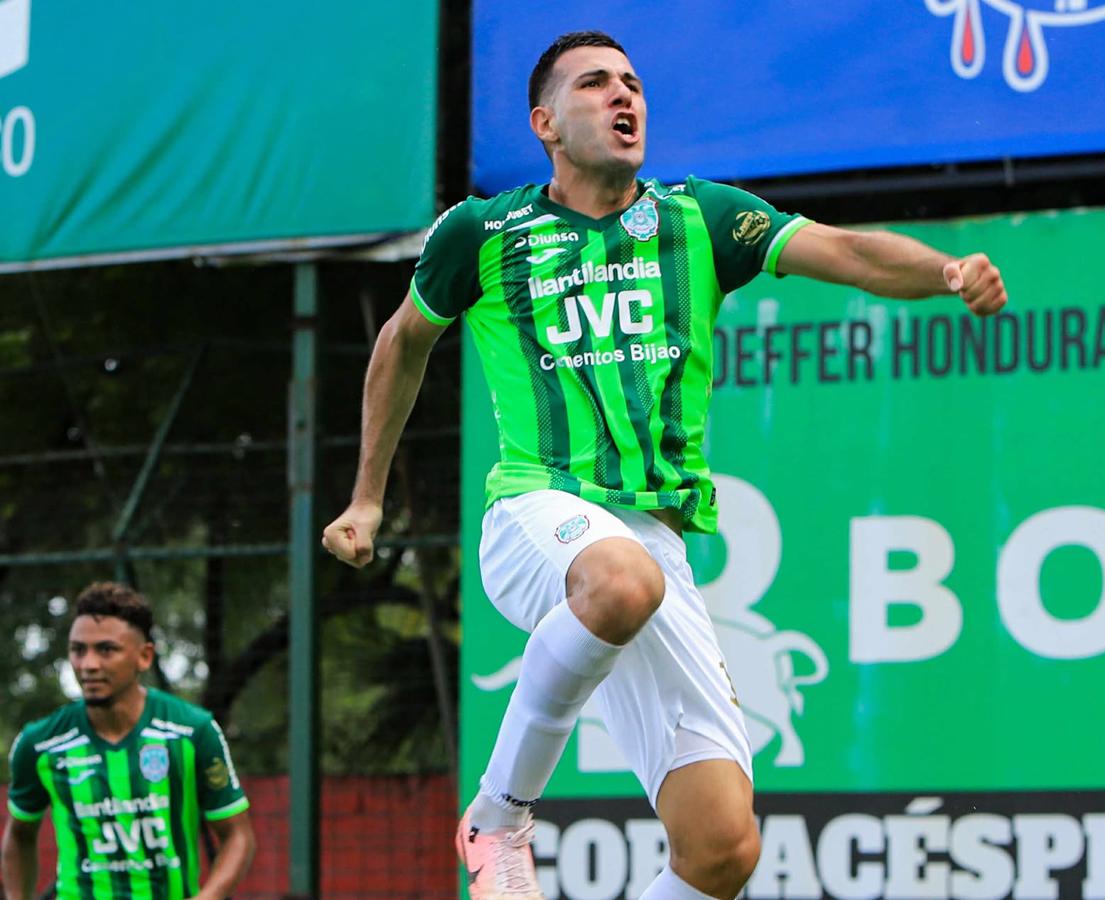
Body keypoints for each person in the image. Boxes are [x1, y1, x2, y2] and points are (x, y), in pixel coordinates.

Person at [322, 29, 1007, 900]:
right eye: (597, 84)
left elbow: (849, 251)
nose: (624, 97)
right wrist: (367, 500)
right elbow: (401, 342)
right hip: (538, 514)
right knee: (620, 582)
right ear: (546, 123)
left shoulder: (701, 217)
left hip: (655, 545)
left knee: (722, 850)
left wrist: (947, 271)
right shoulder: (485, 231)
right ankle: (497, 818)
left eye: (633, 84)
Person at [2, 582, 256, 900]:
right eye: (78, 649)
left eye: (106, 650)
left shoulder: (192, 731)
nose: (88, 664)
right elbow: (19, 834)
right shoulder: (40, 744)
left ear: (144, 656)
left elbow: (237, 835)